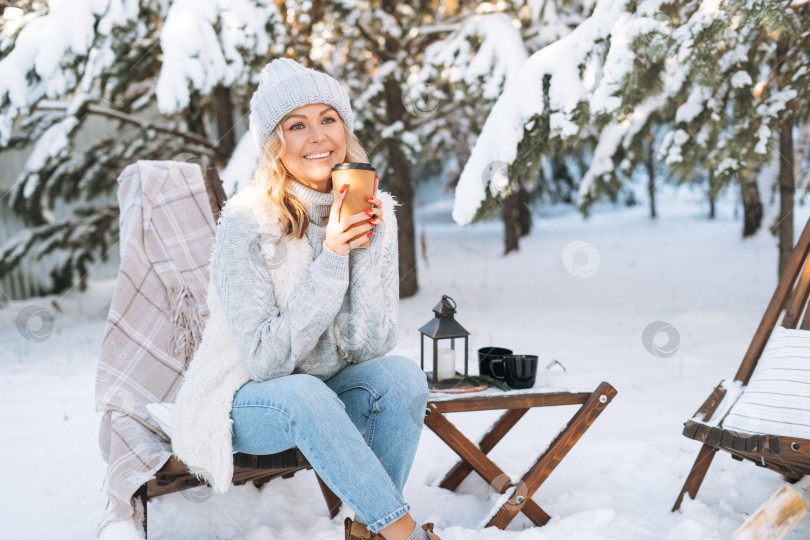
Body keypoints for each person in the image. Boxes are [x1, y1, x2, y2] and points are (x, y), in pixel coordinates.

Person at [171, 58, 441, 540]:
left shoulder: (371, 210)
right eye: (297, 125)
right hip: (244, 401)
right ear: (276, 145)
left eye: (328, 118)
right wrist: (333, 258)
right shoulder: (246, 222)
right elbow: (266, 362)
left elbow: (370, 346)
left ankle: (367, 530)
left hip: (326, 390)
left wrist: (367, 246)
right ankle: (399, 530)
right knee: (302, 392)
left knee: (402, 376)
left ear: (345, 128)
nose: (318, 136)